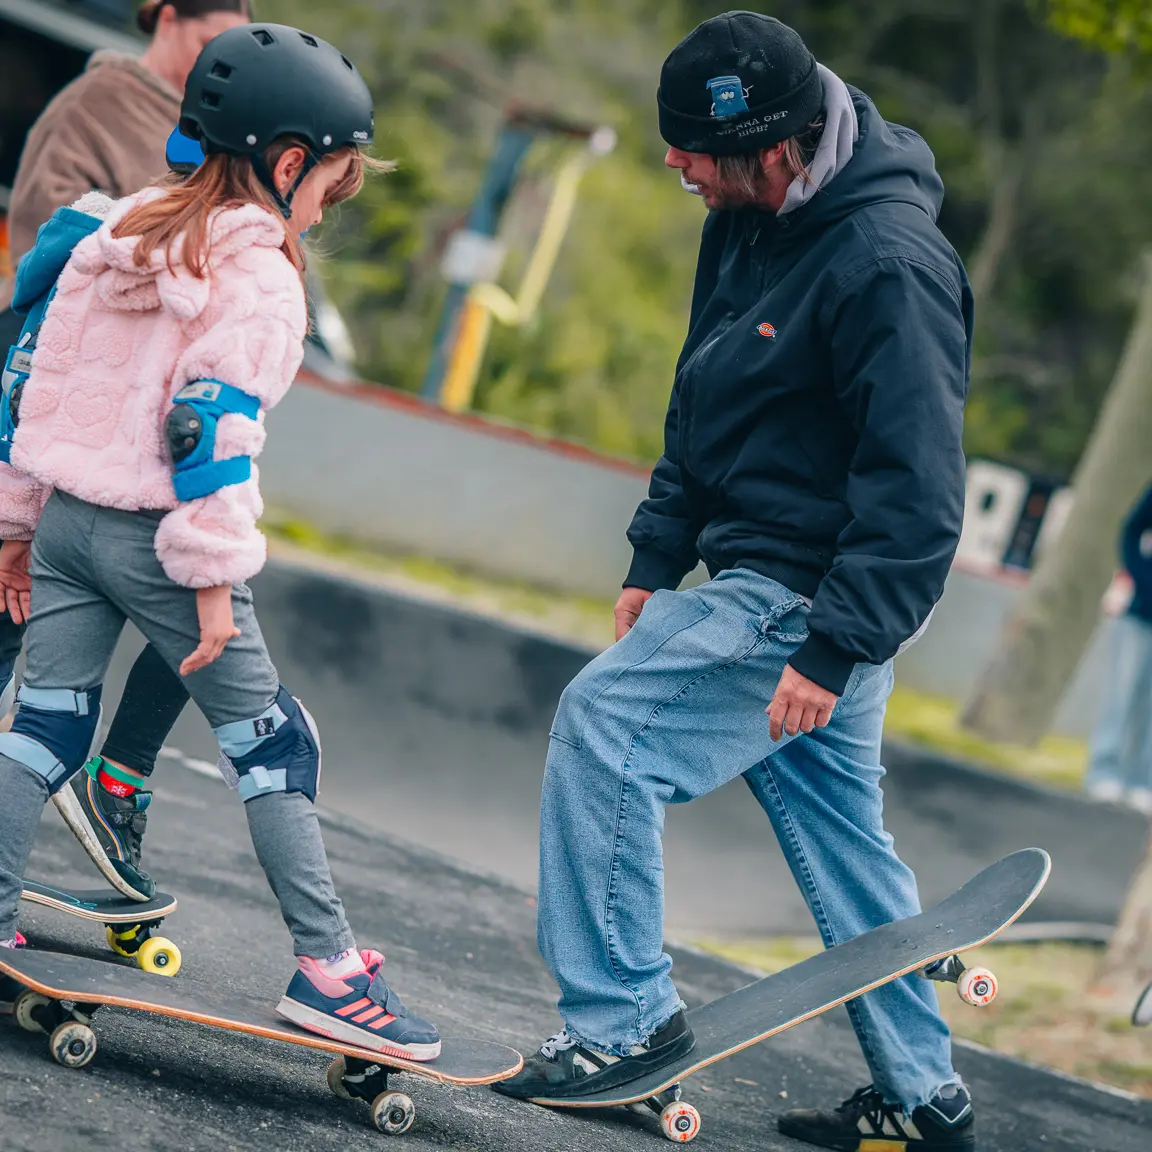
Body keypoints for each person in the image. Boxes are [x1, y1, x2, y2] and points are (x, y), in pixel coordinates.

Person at [495, 12, 976, 1151]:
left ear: (774, 147)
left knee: (607, 727)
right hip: (773, 585)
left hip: (801, 599)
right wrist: (657, 551)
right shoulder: (752, 215)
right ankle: (926, 1099)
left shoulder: (889, 264)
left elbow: (919, 492)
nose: (677, 166)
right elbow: (704, 388)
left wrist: (834, 645)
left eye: (695, 154)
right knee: (850, 856)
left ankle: (624, 1030)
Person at [0, 22, 441, 1059]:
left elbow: (33, 386)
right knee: (273, 743)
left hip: (65, 527)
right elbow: (206, 429)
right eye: (334, 181)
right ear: (289, 163)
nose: (333, 201)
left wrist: (15, 528)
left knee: (44, 730)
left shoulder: (111, 236)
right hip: (160, 539)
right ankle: (330, 971)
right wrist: (208, 578)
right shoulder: (259, 279)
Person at [0, 0, 254, 905]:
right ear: (168, 15)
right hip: (62, 405)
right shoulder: (99, 103)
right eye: (210, 36)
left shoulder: (230, 122)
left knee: (213, 585)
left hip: (156, 425)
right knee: (15, 608)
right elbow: (47, 251)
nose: (219, 60)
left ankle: (122, 777)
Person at [1084, 483, 1152, 815]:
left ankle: (1144, 782)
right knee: (1121, 695)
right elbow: (1132, 530)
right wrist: (1143, 578)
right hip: (1140, 614)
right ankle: (1104, 772)